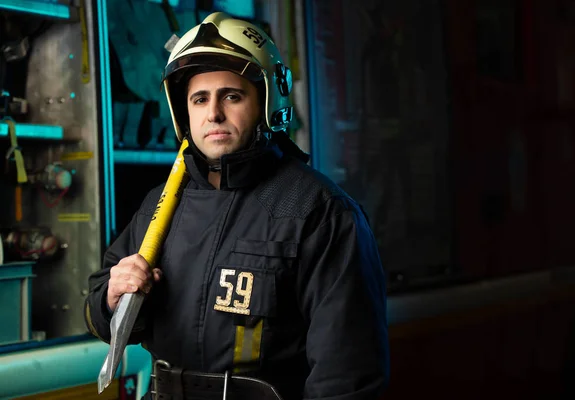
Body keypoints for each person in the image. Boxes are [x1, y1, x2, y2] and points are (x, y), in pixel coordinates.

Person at [84, 11, 389, 400]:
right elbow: (95, 315)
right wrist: (112, 296)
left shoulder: (319, 212)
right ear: (185, 112)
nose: (213, 113)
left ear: (266, 100)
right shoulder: (160, 207)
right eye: (199, 99)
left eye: (231, 95)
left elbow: (347, 378)